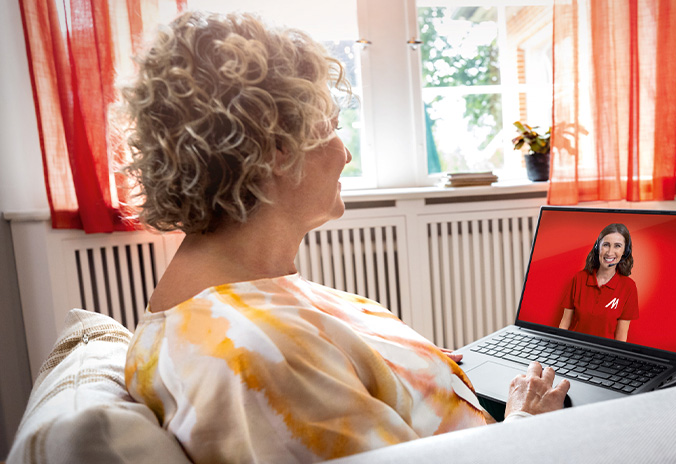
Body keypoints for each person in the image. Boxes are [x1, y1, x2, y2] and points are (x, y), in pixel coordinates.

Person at [120, 11, 569, 463]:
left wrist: (415, 368)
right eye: (332, 127)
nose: (346, 151)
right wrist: (526, 423)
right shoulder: (259, 355)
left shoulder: (244, 289)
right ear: (276, 149)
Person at [558, 223, 639, 342]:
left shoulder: (629, 287)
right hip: (574, 350)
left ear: (624, 252)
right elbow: (564, 325)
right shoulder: (579, 278)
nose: (610, 252)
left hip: (605, 355)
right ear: (597, 247)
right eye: (606, 245)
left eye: (617, 246)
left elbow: (621, 338)